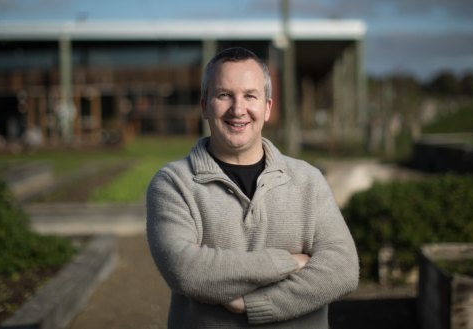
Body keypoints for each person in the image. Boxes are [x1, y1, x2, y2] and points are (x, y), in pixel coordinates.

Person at [146, 47, 359, 328]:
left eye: (250, 96)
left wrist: (251, 304)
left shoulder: (309, 180)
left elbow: (342, 270)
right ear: (205, 106)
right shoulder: (173, 183)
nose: (238, 109)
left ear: (268, 107)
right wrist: (289, 262)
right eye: (224, 95)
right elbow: (185, 270)